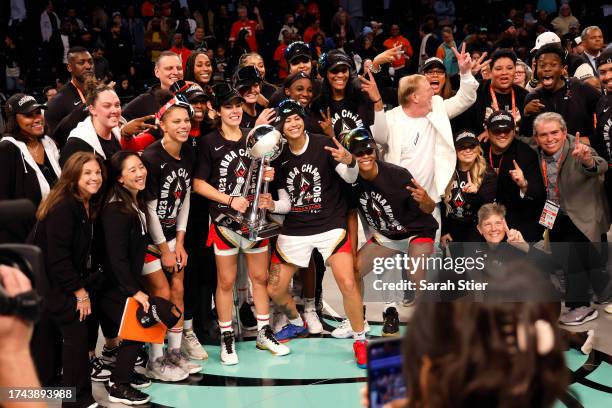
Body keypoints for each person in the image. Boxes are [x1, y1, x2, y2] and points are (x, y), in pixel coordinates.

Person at [259, 99, 368, 367]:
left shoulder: (323, 144)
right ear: (281, 128)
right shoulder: (278, 155)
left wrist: (351, 161)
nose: (293, 124)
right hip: (295, 228)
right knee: (274, 288)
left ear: (303, 119)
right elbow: (286, 204)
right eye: (287, 121)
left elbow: (352, 178)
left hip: (331, 224)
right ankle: (297, 322)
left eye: (297, 118)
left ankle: (360, 339)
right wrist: (272, 204)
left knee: (347, 281)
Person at [193, 84, 288, 365]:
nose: (234, 111)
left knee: (259, 279)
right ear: (217, 111)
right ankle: (227, 337)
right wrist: (230, 199)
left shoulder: (254, 136)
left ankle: (263, 332)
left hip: (255, 222)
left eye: (237, 106)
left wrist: (268, 174)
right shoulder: (209, 142)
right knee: (226, 282)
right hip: (225, 222)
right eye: (228, 107)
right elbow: (198, 184)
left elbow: (263, 176)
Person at [372, 45, 477, 239]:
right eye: (428, 89)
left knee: (427, 263)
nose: (433, 92)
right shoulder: (392, 118)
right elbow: (378, 139)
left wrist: (465, 72)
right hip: (396, 204)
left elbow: (466, 98)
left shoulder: (436, 108)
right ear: (414, 97)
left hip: (429, 202)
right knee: (392, 266)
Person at [343, 128, 438, 336]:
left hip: (417, 231)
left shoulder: (397, 175)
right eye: (358, 152)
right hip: (387, 235)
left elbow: (428, 209)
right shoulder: (350, 181)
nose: (365, 155)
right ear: (350, 156)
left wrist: (427, 201)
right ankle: (358, 319)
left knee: (416, 272)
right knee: (354, 269)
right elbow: (351, 215)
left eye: (368, 150)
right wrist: (351, 251)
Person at [31, 152, 105, 408]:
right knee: (77, 328)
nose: (95, 178)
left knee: (53, 334)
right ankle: (79, 400)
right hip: (49, 283)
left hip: (56, 280)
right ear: (73, 176)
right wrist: (80, 293)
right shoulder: (64, 207)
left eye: (97, 172)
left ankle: (51, 386)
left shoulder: (84, 202)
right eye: (88, 173)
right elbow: (58, 259)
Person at [140, 95, 202, 380]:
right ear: (161, 124)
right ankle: (155, 358)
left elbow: (185, 197)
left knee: (178, 287)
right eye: (176, 121)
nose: (183, 125)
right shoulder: (151, 157)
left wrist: (180, 240)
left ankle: (175, 353)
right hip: (147, 239)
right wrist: (164, 248)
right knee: (161, 295)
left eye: (186, 120)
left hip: (171, 237)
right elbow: (150, 209)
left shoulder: (189, 151)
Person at [532, 112, 610, 326]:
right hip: (554, 212)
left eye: (555, 132)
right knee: (566, 255)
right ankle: (600, 290)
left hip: (582, 214)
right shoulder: (536, 152)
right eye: (543, 135)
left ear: (564, 132)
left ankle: (580, 306)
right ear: (536, 138)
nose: (550, 139)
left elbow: (599, 165)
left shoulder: (579, 149)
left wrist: (586, 160)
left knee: (573, 257)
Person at [98, 151, 152, 405]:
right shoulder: (116, 211)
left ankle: (125, 373)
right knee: (138, 328)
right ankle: (118, 385)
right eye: (132, 170)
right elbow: (115, 257)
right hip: (112, 285)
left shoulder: (133, 202)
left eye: (141, 167)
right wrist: (133, 290)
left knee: (138, 329)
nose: (140, 173)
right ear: (120, 179)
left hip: (123, 281)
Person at [481, 111, 546, 242]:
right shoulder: (479, 151)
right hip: (485, 224)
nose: (502, 134)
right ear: (487, 131)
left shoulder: (526, 153)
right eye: (496, 131)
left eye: (507, 130)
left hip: (519, 225)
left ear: (514, 130)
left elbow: (539, 195)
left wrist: (524, 184)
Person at [521, 44, 600, 141]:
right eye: (542, 66)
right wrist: (526, 114)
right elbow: (527, 137)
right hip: (547, 154)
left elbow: (605, 114)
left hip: (582, 152)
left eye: (553, 65)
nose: (547, 69)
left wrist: (591, 140)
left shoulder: (580, 87)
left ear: (563, 69)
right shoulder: (532, 97)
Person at [0, 94, 60, 209]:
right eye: (28, 115)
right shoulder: (6, 149)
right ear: (14, 120)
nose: (37, 119)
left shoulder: (48, 142)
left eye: (38, 113)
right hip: (28, 224)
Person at [441, 131, 497, 245]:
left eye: (472, 146)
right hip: (453, 229)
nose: (468, 150)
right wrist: (444, 231)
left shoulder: (487, 173)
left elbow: (489, 208)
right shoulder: (447, 171)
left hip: (476, 229)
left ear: (478, 149)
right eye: (462, 147)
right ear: (455, 151)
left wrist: (475, 194)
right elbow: (442, 206)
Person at [458, 48, 528, 138]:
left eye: (510, 68)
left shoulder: (524, 96)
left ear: (515, 70)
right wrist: (466, 76)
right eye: (498, 69)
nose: (504, 73)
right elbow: (462, 123)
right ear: (490, 72)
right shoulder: (476, 90)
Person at [60, 83, 122, 167]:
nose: (114, 110)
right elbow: (68, 178)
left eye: (117, 105)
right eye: (107, 106)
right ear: (92, 109)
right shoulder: (76, 144)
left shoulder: (116, 133)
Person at [45, 47, 94, 137]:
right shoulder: (58, 101)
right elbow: (53, 139)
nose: (88, 66)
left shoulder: (99, 92)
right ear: (69, 67)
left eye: (90, 62)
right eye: (81, 63)